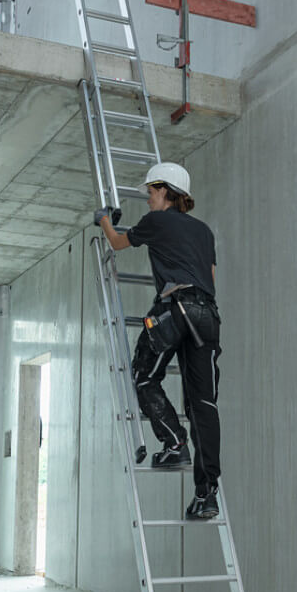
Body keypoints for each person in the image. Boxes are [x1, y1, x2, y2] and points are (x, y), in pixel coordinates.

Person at [94, 162, 222, 520]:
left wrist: (104, 219)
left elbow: (118, 242)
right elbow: (209, 278)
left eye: (151, 191)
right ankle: (206, 495)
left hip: (174, 309)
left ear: (165, 191)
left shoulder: (157, 221)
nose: (148, 197)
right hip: (207, 317)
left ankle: (174, 442)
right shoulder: (204, 231)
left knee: (144, 376)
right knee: (204, 405)